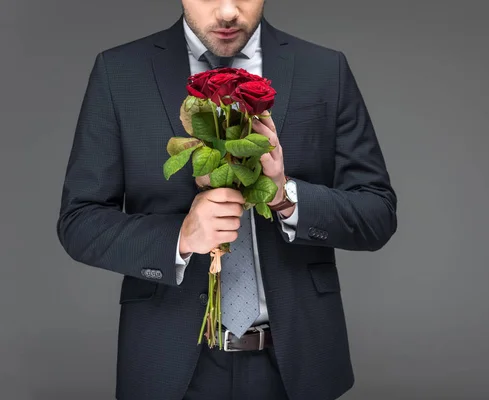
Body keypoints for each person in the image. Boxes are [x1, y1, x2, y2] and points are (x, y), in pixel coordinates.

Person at [56, 1, 397, 399]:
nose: (229, 10)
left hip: (298, 363)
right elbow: (79, 222)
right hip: (169, 363)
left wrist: (286, 195)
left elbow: (377, 214)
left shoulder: (324, 69)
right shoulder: (119, 73)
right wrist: (180, 237)